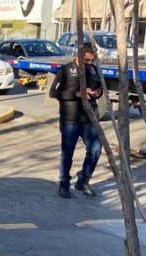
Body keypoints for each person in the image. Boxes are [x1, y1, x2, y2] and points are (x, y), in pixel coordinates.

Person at [48, 46, 103, 198]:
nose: (89, 63)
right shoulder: (66, 70)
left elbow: (99, 88)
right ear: (78, 56)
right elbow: (54, 93)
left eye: (92, 61)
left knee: (96, 148)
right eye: (86, 60)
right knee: (67, 153)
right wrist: (79, 94)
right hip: (70, 119)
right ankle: (64, 184)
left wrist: (97, 93)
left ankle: (83, 180)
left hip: (88, 118)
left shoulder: (93, 70)